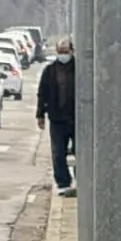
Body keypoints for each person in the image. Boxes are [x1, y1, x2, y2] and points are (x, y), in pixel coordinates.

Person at [36, 37, 77, 196]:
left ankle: (82, 179)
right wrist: (40, 114)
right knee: (58, 152)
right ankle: (63, 182)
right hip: (57, 118)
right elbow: (43, 93)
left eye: (66, 52)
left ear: (72, 51)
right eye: (60, 52)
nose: (63, 55)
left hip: (77, 118)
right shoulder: (50, 70)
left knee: (81, 150)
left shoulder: (79, 69)